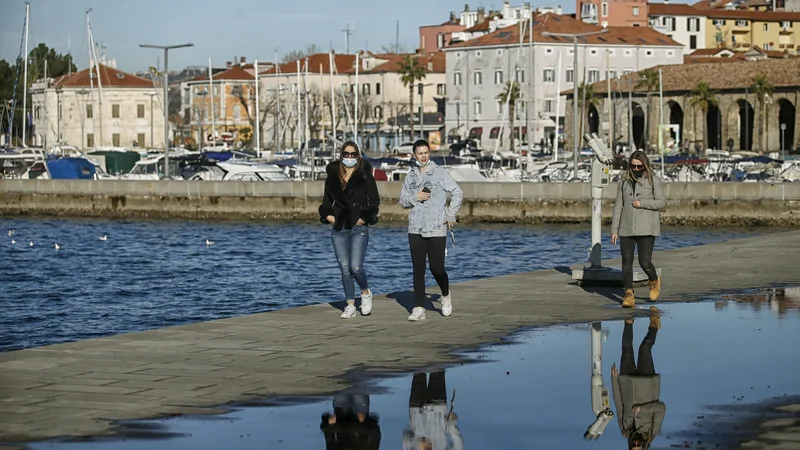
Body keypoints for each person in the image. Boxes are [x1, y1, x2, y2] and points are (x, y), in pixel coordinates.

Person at [399, 139, 463, 321]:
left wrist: (450, 214)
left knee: (437, 269)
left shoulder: (440, 173)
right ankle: (419, 307)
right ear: (414, 155)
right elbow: (402, 200)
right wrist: (415, 197)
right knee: (418, 269)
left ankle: (445, 294)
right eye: (420, 153)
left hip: (436, 227)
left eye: (426, 152)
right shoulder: (410, 176)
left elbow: (458, 192)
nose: (423, 155)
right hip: (415, 228)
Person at [319, 141, 380, 319]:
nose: (350, 157)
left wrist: (364, 218)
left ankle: (365, 292)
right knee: (345, 268)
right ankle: (350, 305)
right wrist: (329, 217)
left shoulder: (364, 173)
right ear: (341, 155)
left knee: (356, 266)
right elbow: (325, 203)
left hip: (358, 228)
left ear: (358, 156)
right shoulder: (333, 174)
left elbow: (374, 201)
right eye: (347, 154)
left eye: (353, 154)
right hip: (339, 228)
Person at [610, 150, 665, 308]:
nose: (635, 169)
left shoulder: (654, 180)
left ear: (645, 165)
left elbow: (661, 202)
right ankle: (628, 294)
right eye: (632, 166)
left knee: (645, 262)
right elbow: (618, 206)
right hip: (626, 227)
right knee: (626, 263)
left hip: (647, 227)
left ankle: (654, 280)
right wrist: (614, 230)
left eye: (639, 166)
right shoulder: (623, 181)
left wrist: (643, 203)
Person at [611, 308, 666, 449]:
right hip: (647, 382)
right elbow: (661, 408)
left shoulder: (624, 431)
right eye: (639, 445)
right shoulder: (653, 431)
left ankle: (628, 322)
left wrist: (614, 379)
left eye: (633, 445)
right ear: (644, 446)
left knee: (626, 348)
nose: (636, 442)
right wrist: (643, 409)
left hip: (626, 382)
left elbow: (618, 404)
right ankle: (654, 326)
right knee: (645, 348)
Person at [402, 371, 463, 450]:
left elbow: (405, 435)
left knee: (419, 371)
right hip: (438, 405)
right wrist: (451, 426)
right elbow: (459, 446)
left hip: (416, 407)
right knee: (438, 369)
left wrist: (417, 443)